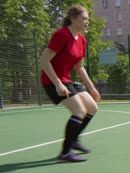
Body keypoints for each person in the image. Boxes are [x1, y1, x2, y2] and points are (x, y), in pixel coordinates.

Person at [40, 5, 101, 162]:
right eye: (84, 18)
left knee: (92, 107)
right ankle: (65, 153)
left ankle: (74, 140)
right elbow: (44, 61)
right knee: (79, 111)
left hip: (66, 79)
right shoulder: (61, 35)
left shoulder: (82, 40)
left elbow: (79, 68)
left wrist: (92, 89)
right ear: (73, 18)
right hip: (52, 80)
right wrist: (58, 83)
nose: (87, 22)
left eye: (88, 19)